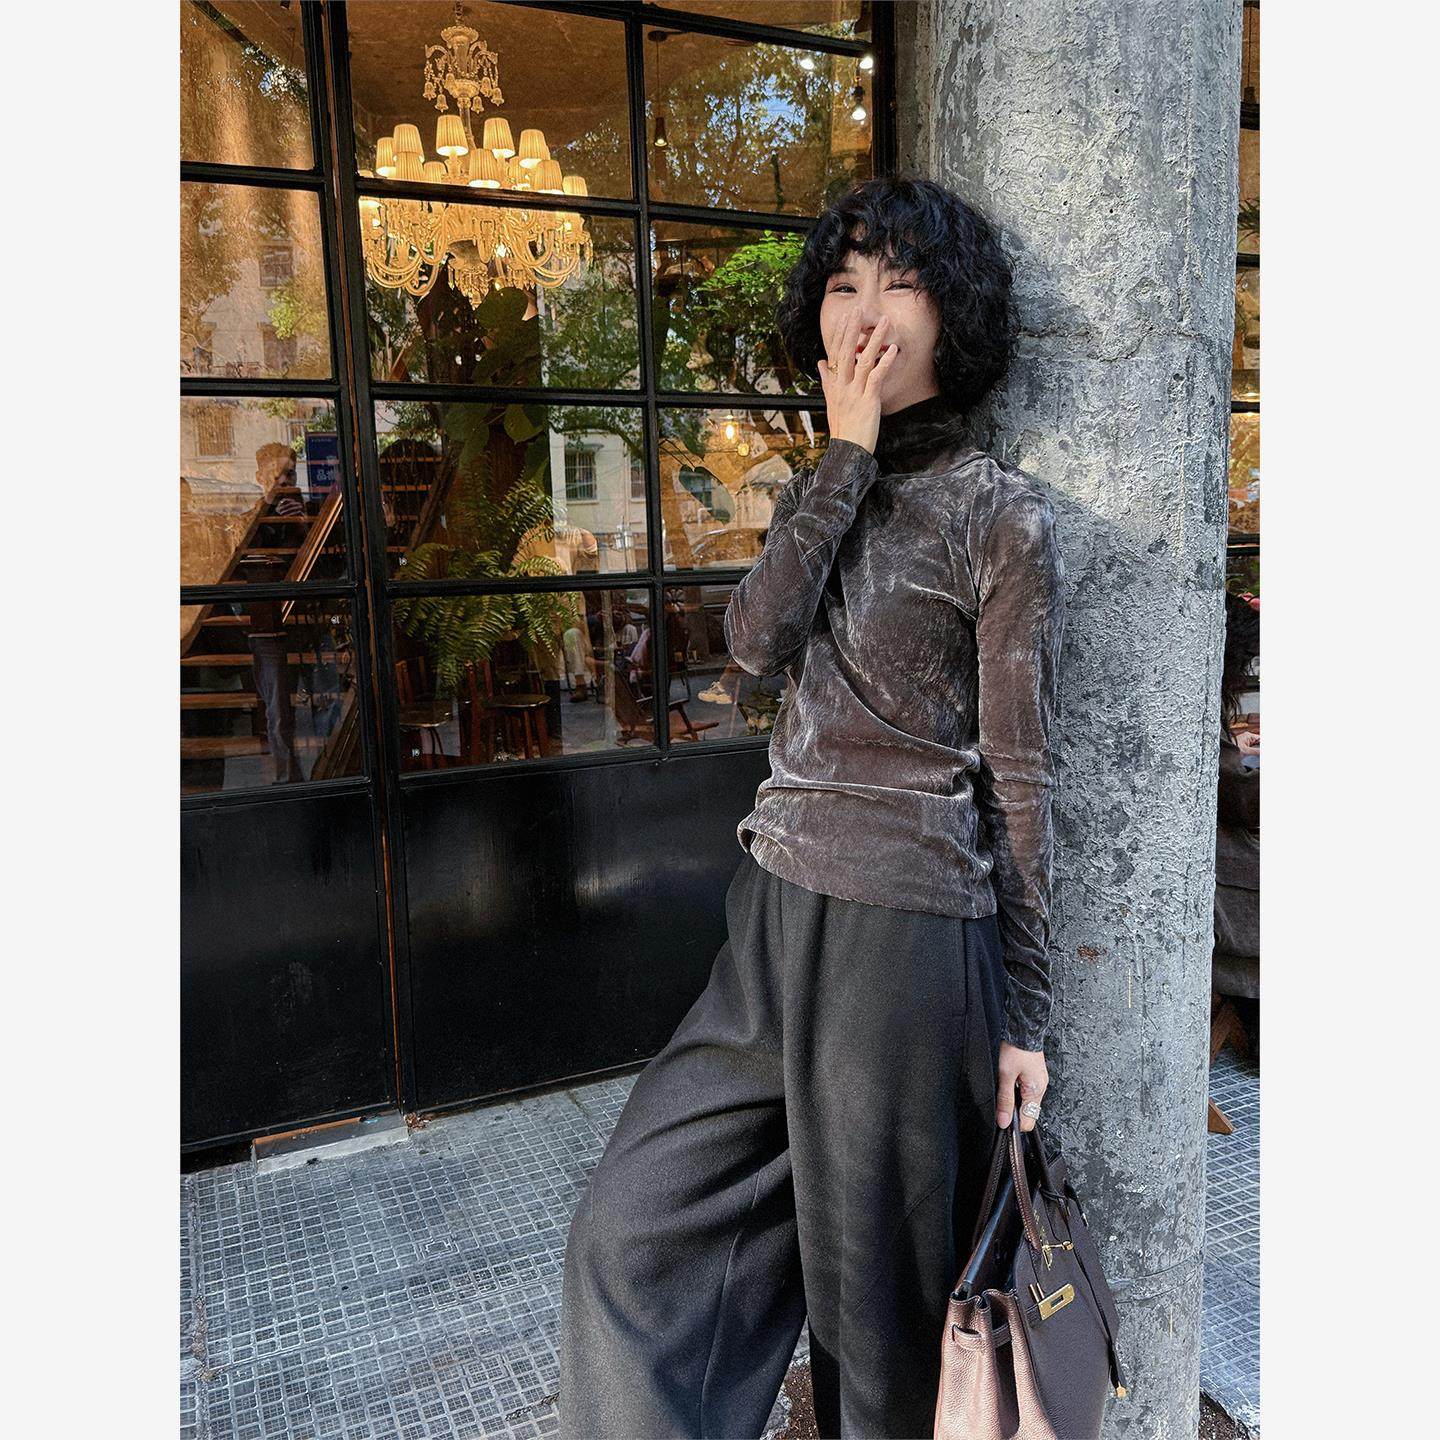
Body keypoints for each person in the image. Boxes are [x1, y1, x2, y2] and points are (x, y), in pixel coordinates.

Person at [558, 175, 1066, 1439]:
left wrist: (1027, 1011)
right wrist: (843, 457)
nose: (866, 314)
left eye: (900, 284)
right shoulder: (820, 486)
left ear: (956, 318)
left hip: (905, 941)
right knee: (627, 1235)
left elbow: (1021, 773)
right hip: (773, 916)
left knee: (875, 1326)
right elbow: (753, 641)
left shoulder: (999, 514)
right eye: (844, 285)